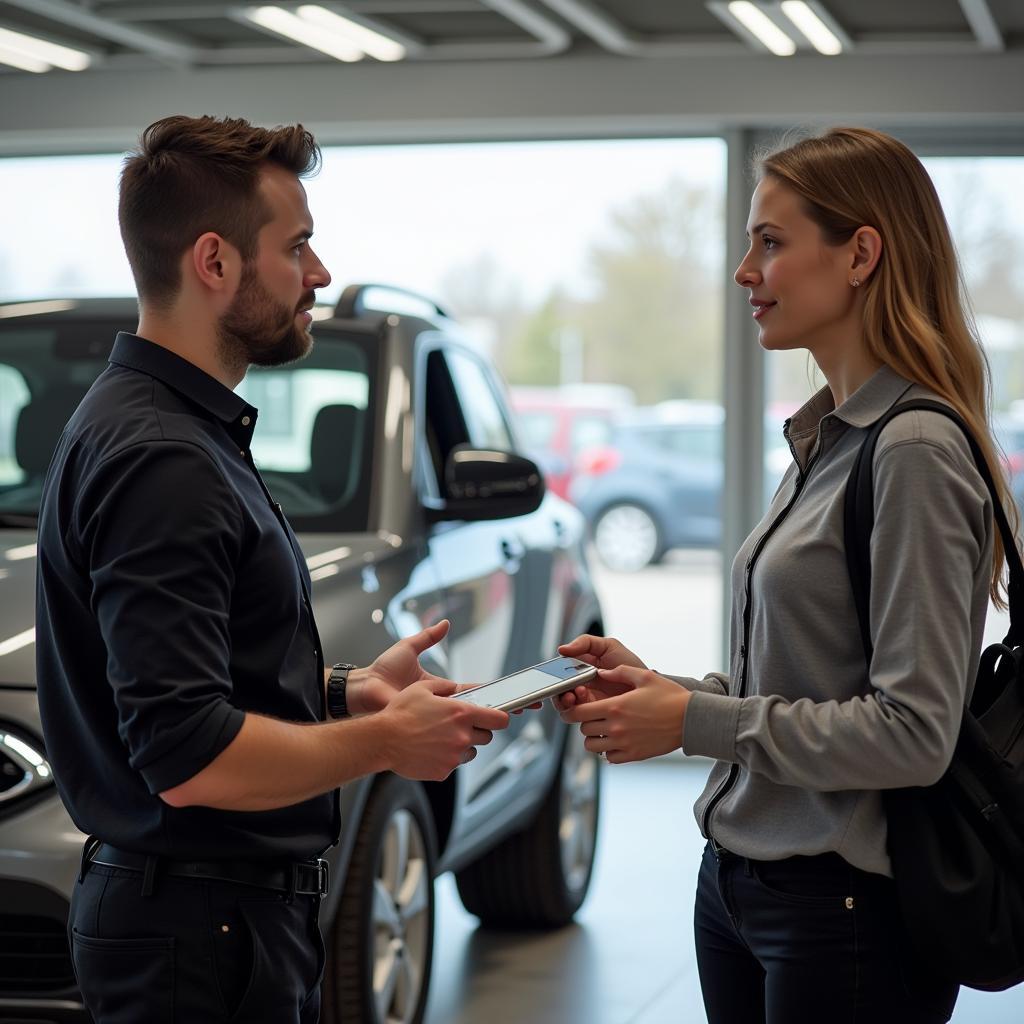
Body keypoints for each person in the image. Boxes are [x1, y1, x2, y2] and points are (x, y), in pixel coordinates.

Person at [34, 114, 509, 1024]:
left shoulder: (171, 426)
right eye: (299, 247)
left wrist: (340, 693)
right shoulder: (163, 457)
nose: (318, 275)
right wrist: (384, 743)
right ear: (214, 263)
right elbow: (188, 756)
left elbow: (184, 674)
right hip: (196, 936)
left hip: (200, 921)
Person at [557, 126, 1015, 1023]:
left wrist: (695, 720)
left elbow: (913, 733)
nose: (743, 271)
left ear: (861, 255)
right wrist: (668, 692)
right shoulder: (826, 437)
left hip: (842, 910)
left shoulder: (912, 448)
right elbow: (806, 684)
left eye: (770, 242)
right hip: (739, 885)